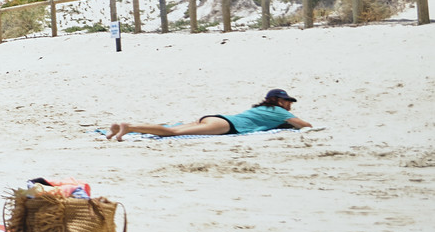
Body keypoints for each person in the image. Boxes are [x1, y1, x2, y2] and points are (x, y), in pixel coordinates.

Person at [106, 89, 312, 142]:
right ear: (277, 101)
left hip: (214, 117)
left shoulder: (262, 109)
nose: (289, 105)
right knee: (172, 132)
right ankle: (129, 127)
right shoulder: (278, 112)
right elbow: (305, 125)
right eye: (287, 101)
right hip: (225, 125)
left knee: (173, 128)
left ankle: (121, 128)